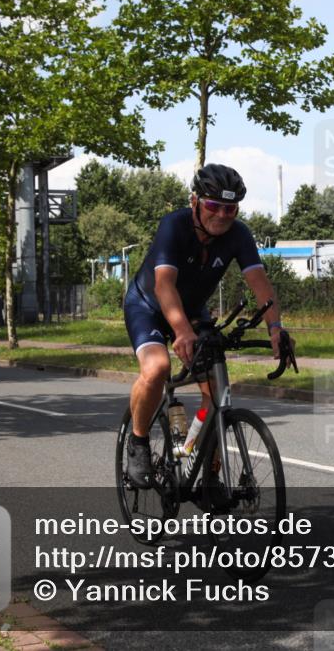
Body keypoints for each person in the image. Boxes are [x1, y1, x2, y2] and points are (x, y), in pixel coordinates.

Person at [122, 163, 292, 487]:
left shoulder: (239, 234)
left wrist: (276, 329)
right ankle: (138, 441)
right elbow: (163, 286)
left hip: (193, 311)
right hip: (148, 306)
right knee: (157, 368)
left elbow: (260, 285)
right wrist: (182, 330)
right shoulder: (174, 226)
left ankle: (208, 473)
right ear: (195, 201)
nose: (222, 215)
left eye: (231, 208)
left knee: (217, 393)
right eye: (214, 205)